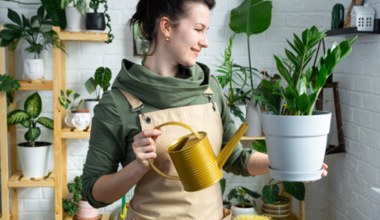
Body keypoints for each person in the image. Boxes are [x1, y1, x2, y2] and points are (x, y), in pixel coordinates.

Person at [82, 0, 328, 219]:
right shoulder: (118, 104)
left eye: (206, 31)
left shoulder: (209, 88)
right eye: (198, 29)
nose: (205, 41)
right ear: (166, 27)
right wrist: (137, 167)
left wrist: (291, 165)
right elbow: (95, 193)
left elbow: (235, 158)